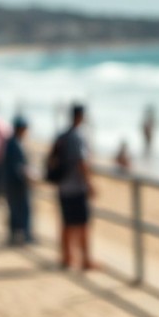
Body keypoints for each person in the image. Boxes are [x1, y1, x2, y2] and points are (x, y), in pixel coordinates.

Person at [53, 103, 97, 271]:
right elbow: (81, 162)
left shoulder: (62, 135)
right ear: (81, 116)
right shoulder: (78, 136)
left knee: (66, 224)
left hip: (63, 186)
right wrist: (90, 184)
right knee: (83, 225)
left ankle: (66, 257)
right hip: (76, 187)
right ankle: (85, 260)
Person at [2, 116, 34, 245]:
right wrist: (28, 175)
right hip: (17, 184)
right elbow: (17, 167)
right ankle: (24, 235)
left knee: (15, 210)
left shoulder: (13, 142)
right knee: (21, 210)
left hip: (12, 183)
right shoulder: (14, 144)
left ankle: (17, 235)